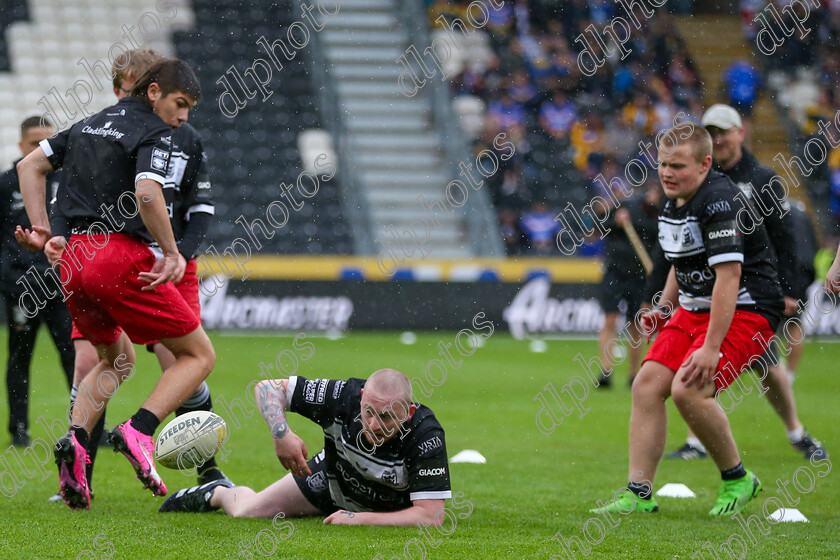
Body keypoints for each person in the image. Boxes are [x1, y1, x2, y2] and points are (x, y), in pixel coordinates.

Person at [15, 58, 215, 510]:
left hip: (73, 260)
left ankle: (77, 445)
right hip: (117, 256)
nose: (182, 117)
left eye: (188, 110)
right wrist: (171, 252)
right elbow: (147, 194)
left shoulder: (92, 122)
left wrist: (43, 230)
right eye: (179, 104)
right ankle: (140, 431)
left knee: (114, 360)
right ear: (154, 92)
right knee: (198, 355)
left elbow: (30, 166)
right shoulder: (155, 132)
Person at [592, 125, 782, 516]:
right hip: (696, 307)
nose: (666, 173)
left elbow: (728, 278)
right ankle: (639, 493)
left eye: (677, 165)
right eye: (662, 164)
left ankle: (738, 478)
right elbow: (682, 262)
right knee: (646, 385)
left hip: (748, 309)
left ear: (705, 164)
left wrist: (711, 348)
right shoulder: (672, 199)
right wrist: (663, 307)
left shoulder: (720, 201)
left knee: (689, 390)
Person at [665, 104, 826, 461]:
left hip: (752, 292)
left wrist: (789, 289)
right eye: (712, 132)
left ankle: (796, 431)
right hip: (706, 293)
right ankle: (696, 442)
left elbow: (785, 238)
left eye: (724, 131)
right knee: (701, 361)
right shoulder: (694, 178)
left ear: (741, 132)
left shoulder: (763, 179)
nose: (718, 138)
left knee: (766, 366)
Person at [160, 369, 453, 528]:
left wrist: (358, 519)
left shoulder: (425, 435)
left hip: (380, 505)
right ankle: (218, 491)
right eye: (368, 412)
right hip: (332, 477)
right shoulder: (343, 396)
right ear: (361, 397)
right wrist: (281, 432)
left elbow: (430, 516)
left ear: (409, 413)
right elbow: (267, 388)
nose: (373, 425)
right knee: (246, 512)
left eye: (387, 417)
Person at [0, 117, 74, 447]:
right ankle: (19, 431)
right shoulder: (5, 183)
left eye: (45, 142)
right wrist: (10, 279)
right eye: (33, 142)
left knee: (75, 356)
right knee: (19, 357)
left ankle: (84, 428)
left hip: (61, 285)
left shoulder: (67, 181)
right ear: (20, 146)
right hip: (22, 288)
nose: (39, 148)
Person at [596, 178, 660, 388]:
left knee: (636, 326)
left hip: (641, 277)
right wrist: (617, 220)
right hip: (615, 272)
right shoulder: (628, 205)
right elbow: (601, 222)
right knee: (610, 320)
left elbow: (656, 232)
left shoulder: (663, 215)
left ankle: (634, 375)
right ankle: (606, 371)